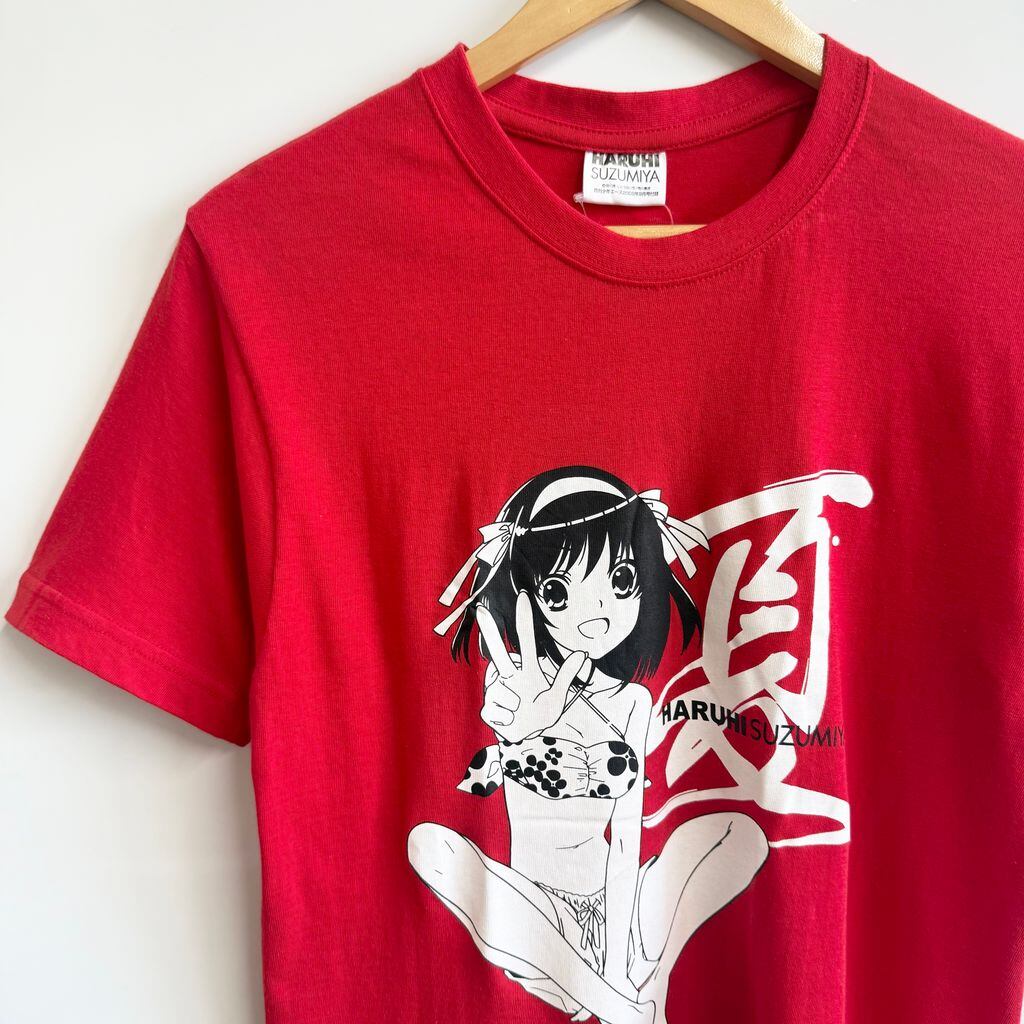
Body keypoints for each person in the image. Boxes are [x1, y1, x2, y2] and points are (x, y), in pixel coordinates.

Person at [408, 467, 769, 1024]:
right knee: (430, 845)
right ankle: (607, 1000)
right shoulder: (513, 682)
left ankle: (640, 988)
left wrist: (619, 964)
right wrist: (526, 729)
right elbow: (504, 728)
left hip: (621, 914)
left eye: (621, 579)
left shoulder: (632, 703)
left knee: (740, 833)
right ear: (526, 598)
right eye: (558, 592)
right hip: (536, 918)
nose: (596, 614)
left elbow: (626, 840)